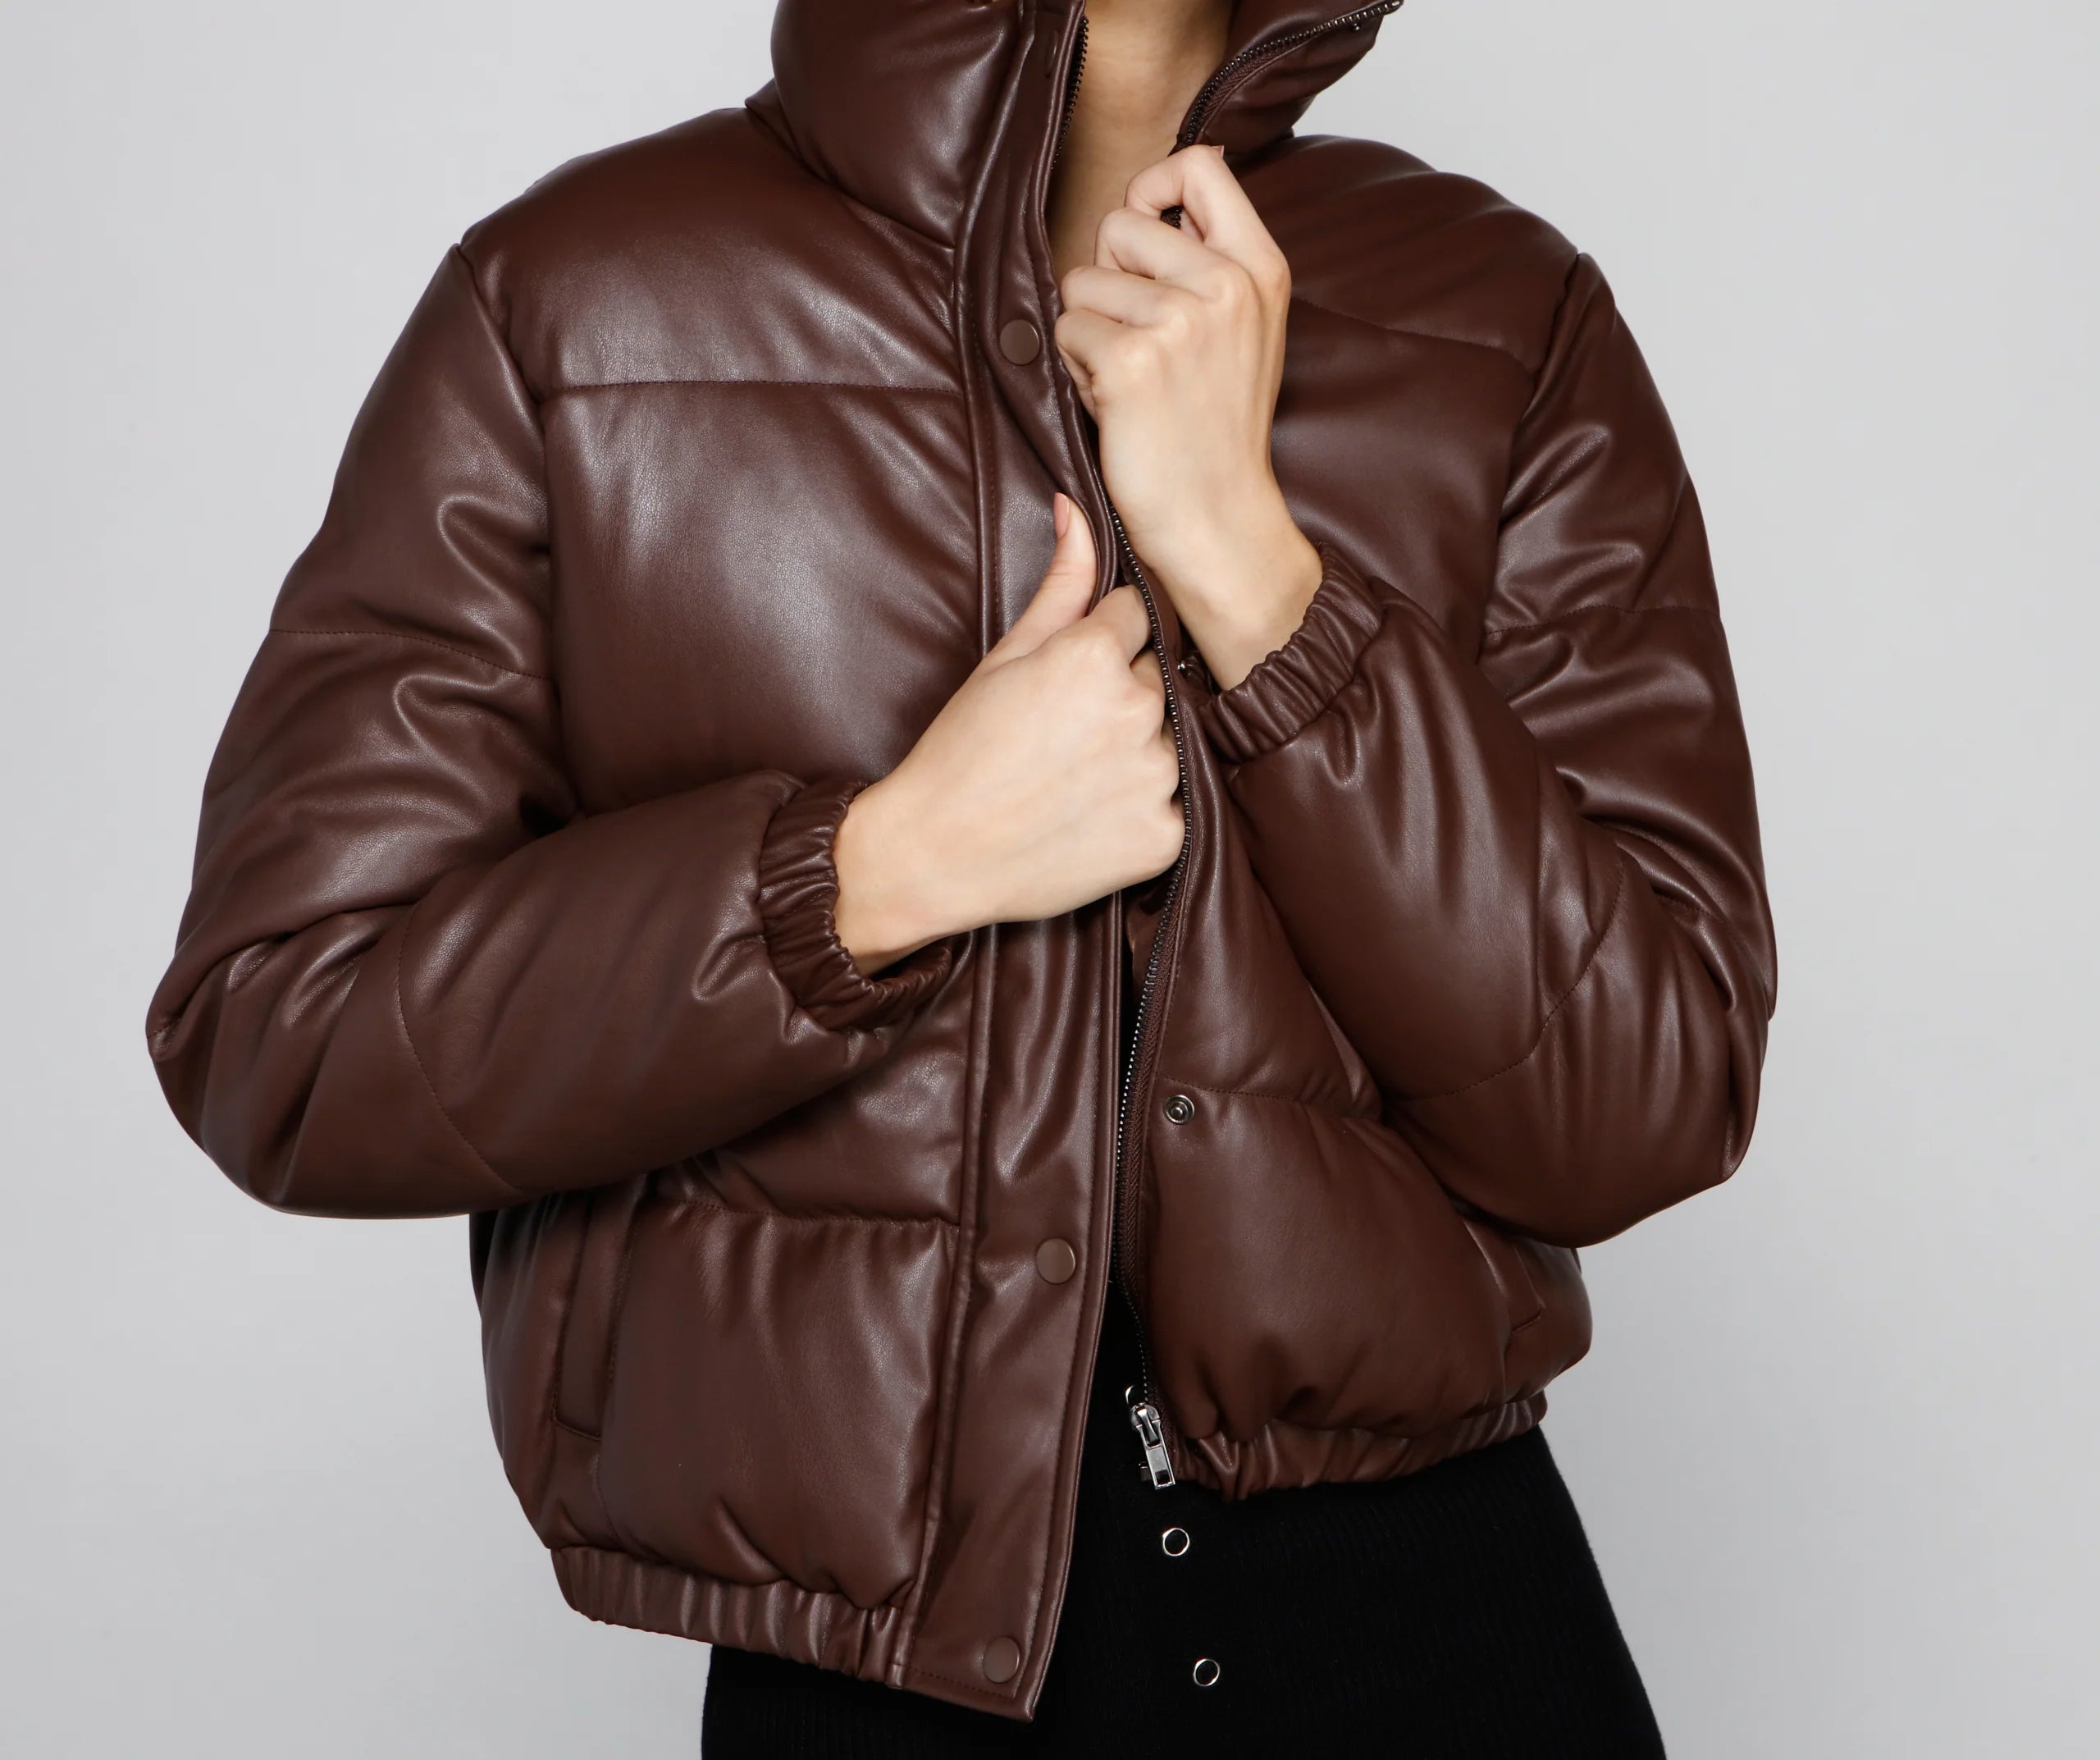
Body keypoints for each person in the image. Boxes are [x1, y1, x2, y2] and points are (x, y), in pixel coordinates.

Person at [146, 0, 1776, 1753]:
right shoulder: (576, 306)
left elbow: (1641, 1105)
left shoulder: (1501, 316)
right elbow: (282, 1025)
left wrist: (1262, 585)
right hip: (882, 1688)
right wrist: (868, 874)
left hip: (1443, 1636)